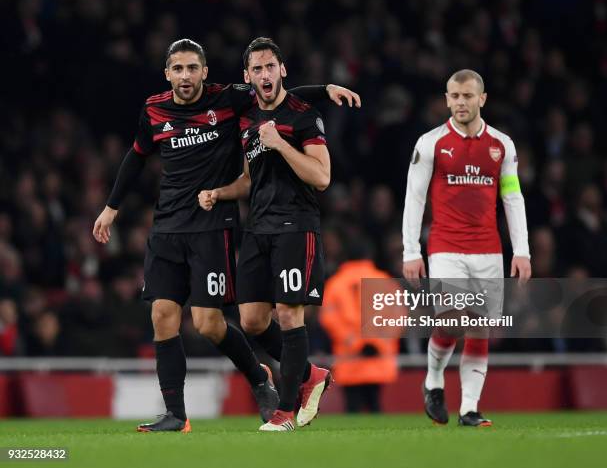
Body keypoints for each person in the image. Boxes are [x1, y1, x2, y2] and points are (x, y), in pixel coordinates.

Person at [92, 38, 360, 432]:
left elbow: (276, 97)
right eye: (178, 69)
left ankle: (261, 377)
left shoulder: (227, 100)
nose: (186, 76)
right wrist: (111, 206)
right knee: (162, 314)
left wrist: (324, 90)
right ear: (168, 74)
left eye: (192, 68)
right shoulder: (153, 109)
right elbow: (136, 154)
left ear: (205, 72)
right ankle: (176, 415)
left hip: (214, 226)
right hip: (167, 226)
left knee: (208, 324)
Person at [200, 37, 355, 431]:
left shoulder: (304, 116)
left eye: (271, 66)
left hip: (295, 225)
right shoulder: (248, 118)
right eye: (257, 69)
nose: (265, 74)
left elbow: (322, 177)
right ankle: (309, 376)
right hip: (258, 227)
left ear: (282, 70)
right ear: (247, 76)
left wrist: (281, 144)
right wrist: (220, 192)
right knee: (251, 321)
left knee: (288, 314)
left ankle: (285, 411)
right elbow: (250, 181)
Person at [401, 69, 531, 427]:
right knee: (454, 321)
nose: (461, 102)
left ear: (482, 99)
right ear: (447, 99)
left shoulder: (501, 144)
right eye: (454, 96)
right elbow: (414, 198)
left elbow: (512, 195)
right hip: (445, 247)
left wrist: (522, 250)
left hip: (489, 250)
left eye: (467, 96)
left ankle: (469, 409)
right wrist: (411, 251)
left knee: (480, 328)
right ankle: (433, 379)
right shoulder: (431, 143)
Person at [319, 236, 400, 413]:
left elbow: (329, 317)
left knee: (352, 407)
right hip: (378, 356)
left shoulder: (336, 284)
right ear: (370, 255)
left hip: (349, 356)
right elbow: (398, 315)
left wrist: (354, 341)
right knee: (375, 404)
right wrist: (377, 341)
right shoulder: (386, 281)